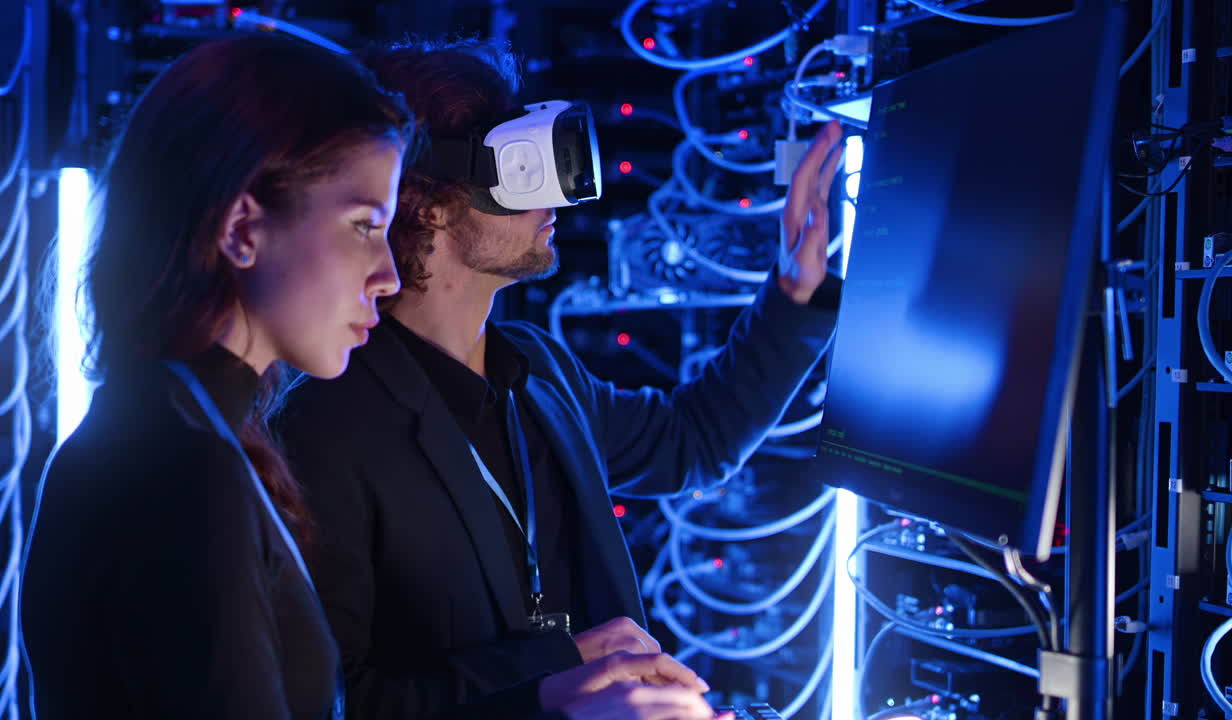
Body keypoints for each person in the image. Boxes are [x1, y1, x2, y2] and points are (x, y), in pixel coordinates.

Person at [21, 34, 719, 720]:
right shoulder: (182, 469)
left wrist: (550, 695)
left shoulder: (185, 436)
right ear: (242, 229)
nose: (386, 275)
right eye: (363, 227)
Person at [275, 38, 843, 719]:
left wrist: (793, 293)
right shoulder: (328, 422)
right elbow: (336, 703)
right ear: (426, 200)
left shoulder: (540, 373)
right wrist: (558, 674)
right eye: (520, 169)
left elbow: (693, 441)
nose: (555, 198)